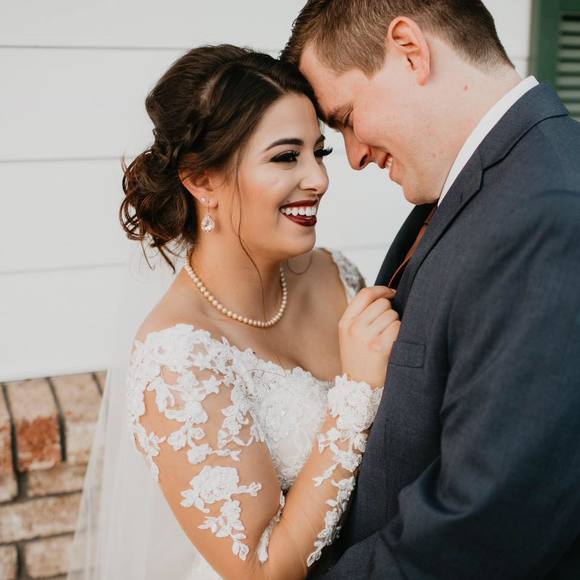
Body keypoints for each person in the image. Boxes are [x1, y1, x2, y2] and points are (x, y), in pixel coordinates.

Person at [66, 45, 401, 580]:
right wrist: (356, 395)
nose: (318, 178)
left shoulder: (334, 274)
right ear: (202, 180)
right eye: (286, 157)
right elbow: (260, 570)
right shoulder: (176, 358)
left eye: (319, 152)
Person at [281, 0, 580, 578]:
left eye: (346, 117)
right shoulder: (480, 182)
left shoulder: (547, 215)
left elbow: (485, 526)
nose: (354, 156)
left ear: (410, 50)